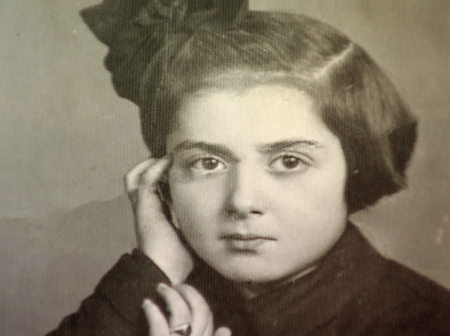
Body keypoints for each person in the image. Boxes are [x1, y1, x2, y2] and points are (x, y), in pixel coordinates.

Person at [48, 0, 450, 335]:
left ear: (356, 169)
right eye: (208, 162)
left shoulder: (425, 321)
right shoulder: (152, 299)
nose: (242, 201)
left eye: (289, 161)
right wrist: (154, 268)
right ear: (163, 181)